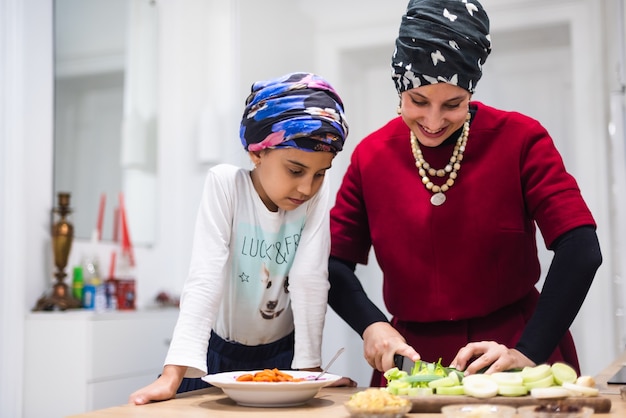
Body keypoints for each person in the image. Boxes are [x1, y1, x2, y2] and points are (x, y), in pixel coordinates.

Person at [328, 0, 602, 387]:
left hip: (510, 355)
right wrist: (371, 324)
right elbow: (333, 264)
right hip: (410, 361)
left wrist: (526, 352)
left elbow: (581, 247)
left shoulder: (521, 139)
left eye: (453, 104)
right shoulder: (370, 156)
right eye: (418, 101)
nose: (434, 121)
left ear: (470, 91)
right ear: (400, 87)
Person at [130, 72, 353, 405]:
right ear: (257, 153)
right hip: (217, 356)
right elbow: (204, 278)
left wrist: (310, 372)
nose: (307, 187)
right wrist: (171, 374)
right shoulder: (226, 185)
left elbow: (310, 279)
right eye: (295, 170)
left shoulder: (315, 199)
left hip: (283, 358)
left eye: (320, 173)